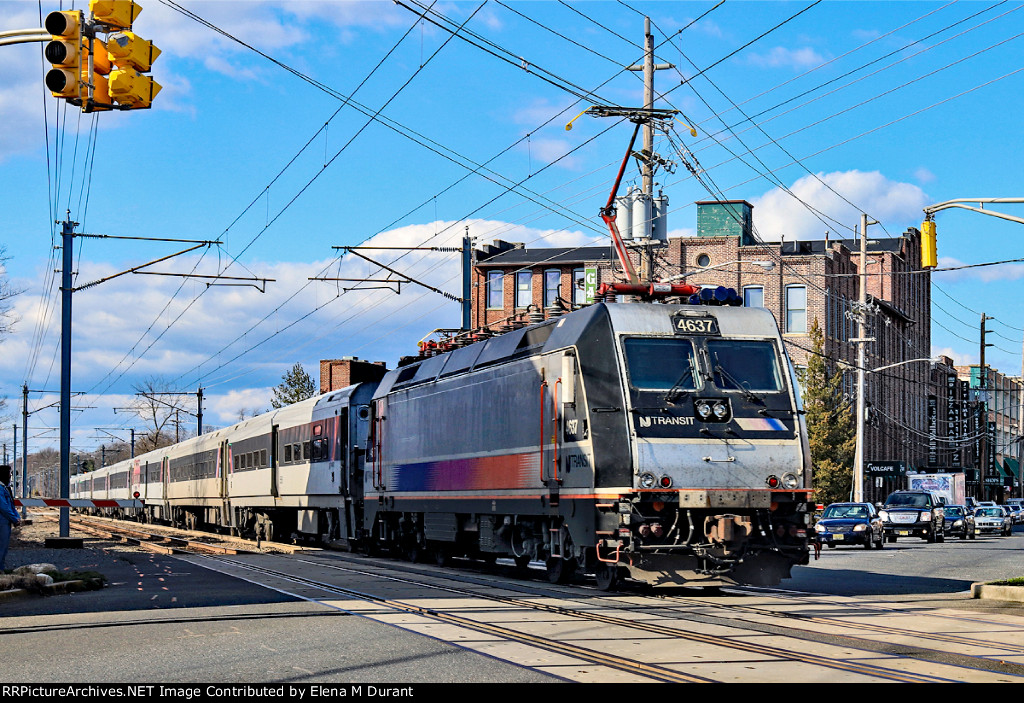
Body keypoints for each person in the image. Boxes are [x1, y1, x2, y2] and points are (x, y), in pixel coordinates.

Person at [0, 464, 21, 571]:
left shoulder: (4, 488)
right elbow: (3, 506)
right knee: (1, 548)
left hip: (5, 521)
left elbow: (10, 505)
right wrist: (14, 518)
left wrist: (16, 517)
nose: (10, 476)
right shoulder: (1, 488)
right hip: (2, 522)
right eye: (9, 473)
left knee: (3, 548)